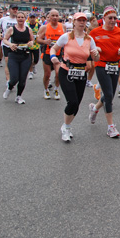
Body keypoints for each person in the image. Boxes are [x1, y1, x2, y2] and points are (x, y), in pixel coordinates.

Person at [50, 13, 100, 142]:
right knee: (71, 101)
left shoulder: (89, 39)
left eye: (84, 21)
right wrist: (53, 57)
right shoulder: (66, 37)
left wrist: (96, 54)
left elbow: (96, 58)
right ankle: (66, 128)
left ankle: (66, 125)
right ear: (74, 22)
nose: (82, 23)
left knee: (76, 104)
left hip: (81, 72)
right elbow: (53, 49)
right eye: (79, 20)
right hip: (66, 71)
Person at [87, 6, 120, 138]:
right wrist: (95, 50)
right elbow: (87, 47)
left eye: (114, 18)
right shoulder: (95, 32)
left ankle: (95, 109)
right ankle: (111, 127)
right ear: (104, 18)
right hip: (101, 65)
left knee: (109, 94)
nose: (112, 20)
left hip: (115, 65)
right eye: (110, 18)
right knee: (109, 95)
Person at [2, 12, 34, 104]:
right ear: (16, 18)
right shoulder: (12, 29)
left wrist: (31, 43)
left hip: (25, 55)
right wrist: (10, 44)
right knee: (14, 78)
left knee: (23, 79)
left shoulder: (28, 30)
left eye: (22, 17)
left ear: (25, 19)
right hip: (14, 55)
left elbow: (32, 40)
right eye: (19, 17)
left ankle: (19, 96)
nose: (20, 19)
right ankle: (9, 87)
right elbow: (4, 39)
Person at [37, 9, 65, 100]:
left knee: (58, 73)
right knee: (47, 74)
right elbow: (37, 39)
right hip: (47, 53)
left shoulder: (63, 27)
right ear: (49, 17)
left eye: (56, 16)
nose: (55, 17)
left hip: (58, 54)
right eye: (53, 15)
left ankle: (56, 89)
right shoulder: (44, 27)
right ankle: (46, 90)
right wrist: (45, 41)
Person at [0, 5, 19, 82]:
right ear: (9, 10)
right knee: (7, 62)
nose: (15, 10)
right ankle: (8, 80)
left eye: (16, 9)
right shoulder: (4, 19)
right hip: (6, 43)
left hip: (16, 44)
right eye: (13, 9)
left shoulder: (19, 19)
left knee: (15, 64)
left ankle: (14, 77)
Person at [26, 13, 41, 80]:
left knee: (36, 60)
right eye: (31, 17)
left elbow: (41, 33)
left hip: (36, 45)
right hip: (29, 45)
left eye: (33, 17)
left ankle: (34, 65)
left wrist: (38, 36)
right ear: (29, 18)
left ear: (35, 18)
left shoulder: (38, 25)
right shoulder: (26, 25)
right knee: (29, 59)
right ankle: (31, 72)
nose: (32, 19)